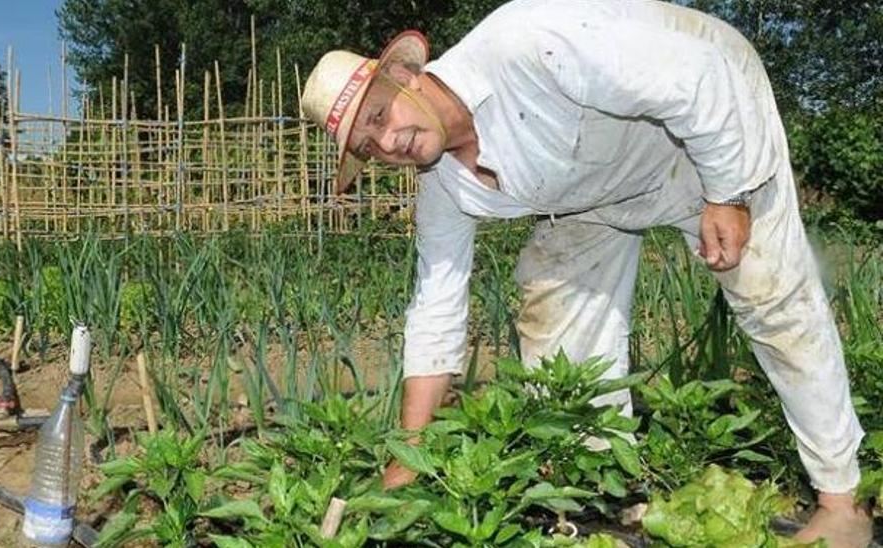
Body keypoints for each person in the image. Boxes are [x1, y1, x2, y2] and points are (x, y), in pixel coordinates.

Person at [299, 0, 872, 545]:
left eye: (379, 115)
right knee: (555, 316)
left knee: (772, 298)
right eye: (368, 147)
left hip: (703, 132)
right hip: (597, 189)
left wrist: (728, 193)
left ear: (407, 78)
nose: (388, 142)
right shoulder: (443, 185)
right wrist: (407, 462)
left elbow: (701, 76)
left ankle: (842, 505)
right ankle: (606, 487)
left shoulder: (527, 43)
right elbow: (436, 309)